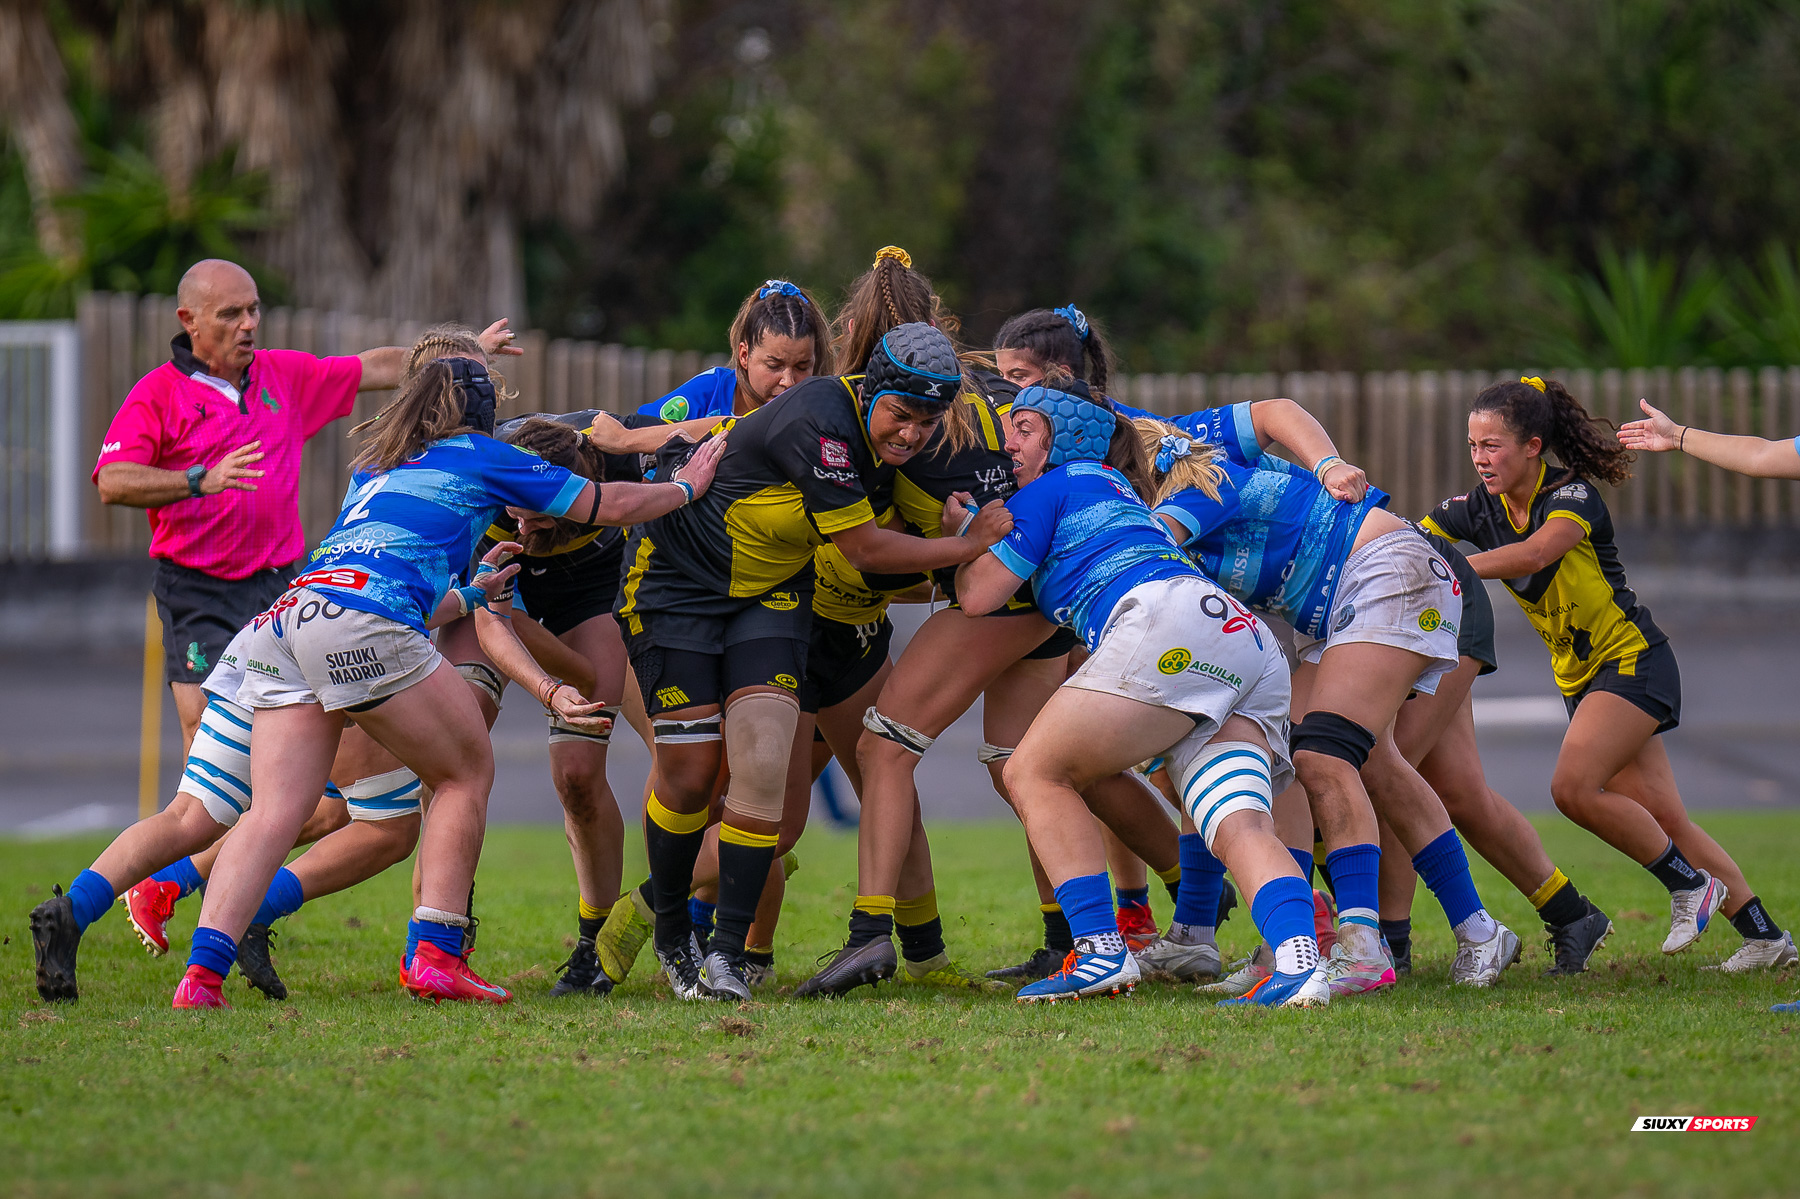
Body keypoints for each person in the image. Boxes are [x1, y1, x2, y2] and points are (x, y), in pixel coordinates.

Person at [158, 353, 726, 1009]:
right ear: (481, 417)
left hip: (289, 618)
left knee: (276, 809)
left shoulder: (375, 466)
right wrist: (686, 487)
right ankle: (436, 952)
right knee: (464, 771)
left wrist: (471, 595)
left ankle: (200, 979)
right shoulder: (485, 454)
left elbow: (404, 580)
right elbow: (608, 501)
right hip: (364, 621)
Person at [614, 317, 1012, 1001]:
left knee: (770, 764)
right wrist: (968, 546)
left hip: (776, 594)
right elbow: (865, 549)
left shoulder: (913, 452)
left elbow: (893, 565)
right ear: (870, 391)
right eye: (901, 414)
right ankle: (661, 919)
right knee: (691, 772)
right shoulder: (823, 421)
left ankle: (729, 957)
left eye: (927, 422)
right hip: (679, 584)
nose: (912, 434)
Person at [955, 378, 1327, 1006]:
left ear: (1063, 439)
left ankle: (1100, 952)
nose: (1007, 441)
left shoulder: (1054, 486)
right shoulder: (1116, 485)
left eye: (1023, 428)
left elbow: (977, 597)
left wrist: (966, 535)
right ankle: (1299, 963)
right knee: (1236, 821)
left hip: (1162, 622)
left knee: (1032, 773)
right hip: (1243, 637)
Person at [1133, 410, 1521, 993]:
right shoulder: (1172, 488)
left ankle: (1365, 948)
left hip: (1384, 571)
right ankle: (1457, 933)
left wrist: (1329, 462)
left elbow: (1274, 413)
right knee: (1320, 764)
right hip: (1332, 601)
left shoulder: (1186, 487)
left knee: (1325, 758)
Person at [1424, 376, 1793, 972]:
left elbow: (1536, 553)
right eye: (1472, 446)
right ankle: (1766, 937)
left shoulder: (1572, 497)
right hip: (1582, 680)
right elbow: (1414, 539)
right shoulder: (1475, 509)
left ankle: (1689, 885)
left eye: (1492, 446)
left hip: (1632, 663)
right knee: (1667, 821)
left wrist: (1455, 569)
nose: (1480, 459)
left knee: (1571, 788)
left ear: (1532, 446)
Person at [92, 258, 518, 756]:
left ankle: (265, 828)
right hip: (197, 589)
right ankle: (209, 831)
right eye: (231, 314)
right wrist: (200, 480)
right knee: (207, 731)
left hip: (280, 583)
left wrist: (464, 360)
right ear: (190, 320)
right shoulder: (158, 394)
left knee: (305, 740)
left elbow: (373, 366)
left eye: (253, 310)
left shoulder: (281, 374)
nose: (249, 324)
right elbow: (113, 481)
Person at [1373, 530, 1615, 976]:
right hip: (1409, 602)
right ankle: (1572, 915)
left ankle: (1392, 946)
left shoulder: (1228, 506)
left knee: (1383, 772)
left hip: (1431, 604)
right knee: (1459, 793)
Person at [638, 279, 829, 421]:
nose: (788, 381)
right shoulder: (707, 394)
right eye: (774, 365)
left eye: (802, 367)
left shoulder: (822, 416)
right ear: (744, 355)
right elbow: (637, 441)